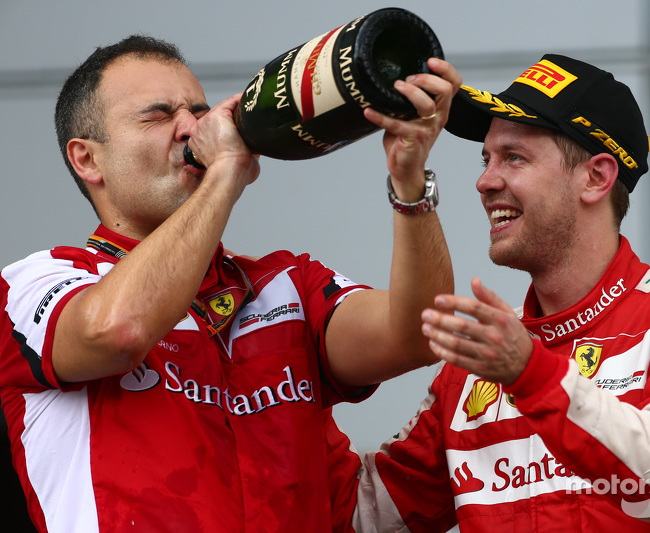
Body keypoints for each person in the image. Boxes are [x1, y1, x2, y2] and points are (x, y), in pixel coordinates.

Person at [0, 34, 462, 532]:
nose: (189, 128)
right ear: (88, 159)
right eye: (157, 116)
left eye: (197, 112)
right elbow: (119, 331)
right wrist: (225, 172)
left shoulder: (285, 284)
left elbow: (419, 333)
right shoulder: (37, 282)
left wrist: (410, 180)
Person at [338, 54, 650, 531]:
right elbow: (359, 516)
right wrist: (292, 360)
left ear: (596, 178)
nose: (484, 181)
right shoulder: (475, 366)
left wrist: (531, 374)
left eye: (514, 157)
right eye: (486, 158)